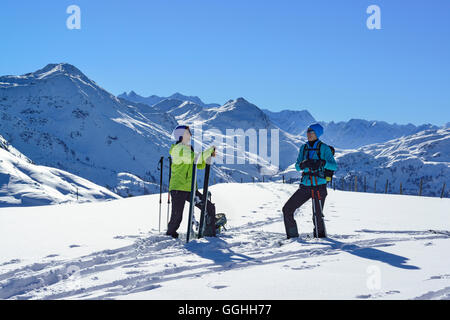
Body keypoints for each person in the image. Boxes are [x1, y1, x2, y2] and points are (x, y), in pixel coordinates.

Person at [282, 123, 337, 239]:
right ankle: (292, 238)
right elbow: (297, 166)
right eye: (307, 131)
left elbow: (333, 166)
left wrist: (322, 163)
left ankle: (320, 239)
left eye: (311, 132)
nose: (308, 134)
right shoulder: (304, 148)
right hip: (305, 186)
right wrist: (303, 165)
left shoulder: (324, 148)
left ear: (317, 133)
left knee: (317, 216)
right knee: (287, 209)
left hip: (319, 186)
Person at [166, 125, 217, 239]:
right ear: (182, 135)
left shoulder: (186, 148)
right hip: (179, 187)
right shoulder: (179, 149)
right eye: (188, 133)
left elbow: (198, 164)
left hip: (189, 188)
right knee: (177, 216)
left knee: (208, 207)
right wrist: (209, 152)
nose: (190, 135)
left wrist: (207, 156)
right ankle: (170, 236)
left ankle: (209, 231)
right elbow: (195, 159)